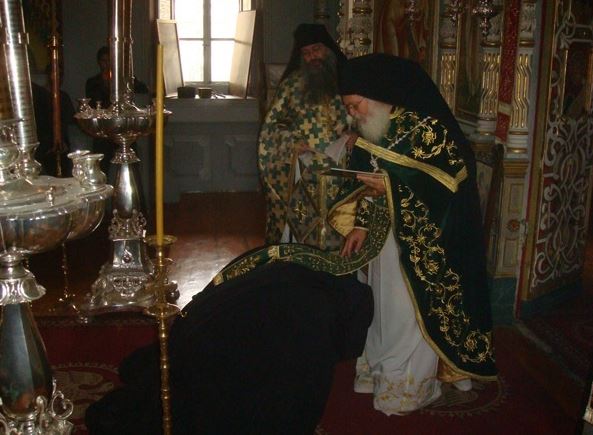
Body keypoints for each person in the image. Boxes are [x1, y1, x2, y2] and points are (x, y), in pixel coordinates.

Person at [333, 53, 497, 415]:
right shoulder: (374, 126)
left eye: (356, 105)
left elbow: (445, 188)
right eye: (349, 107)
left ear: (377, 95)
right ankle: (379, 373)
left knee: (407, 314)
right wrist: (360, 225)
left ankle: (409, 388)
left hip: (425, 242)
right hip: (385, 241)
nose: (353, 114)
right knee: (383, 311)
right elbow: (368, 177)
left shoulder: (427, 129)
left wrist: (388, 186)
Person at [85, 259, 373, 434]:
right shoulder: (315, 317)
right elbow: (299, 398)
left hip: (197, 327)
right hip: (202, 347)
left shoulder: (308, 281)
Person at [258, 23, 355, 251]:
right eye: (306, 53)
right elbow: (273, 125)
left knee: (340, 227)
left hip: (343, 170)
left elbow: (365, 115)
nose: (312, 57)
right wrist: (292, 142)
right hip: (304, 171)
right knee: (305, 229)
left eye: (316, 50)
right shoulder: (291, 85)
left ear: (328, 49)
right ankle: (302, 266)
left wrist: (356, 134)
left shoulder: (348, 79)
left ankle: (340, 268)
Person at [85, 46, 148, 174]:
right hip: (104, 130)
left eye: (110, 60)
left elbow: (143, 89)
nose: (107, 64)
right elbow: (93, 104)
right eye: (104, 61)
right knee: (101, 167)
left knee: (131, 165)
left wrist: (127, 79)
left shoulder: (123, 80)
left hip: (123, 128)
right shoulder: (93, 82)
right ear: (99, 62)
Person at [31, 64, 76, 177]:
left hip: (62, 145)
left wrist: (62, 140)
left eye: (61, 75)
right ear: (48, 75)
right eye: (55, 74)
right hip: (43, 144)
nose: (58, 78)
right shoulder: (38, 95)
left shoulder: (64, 97)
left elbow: (70, 121)